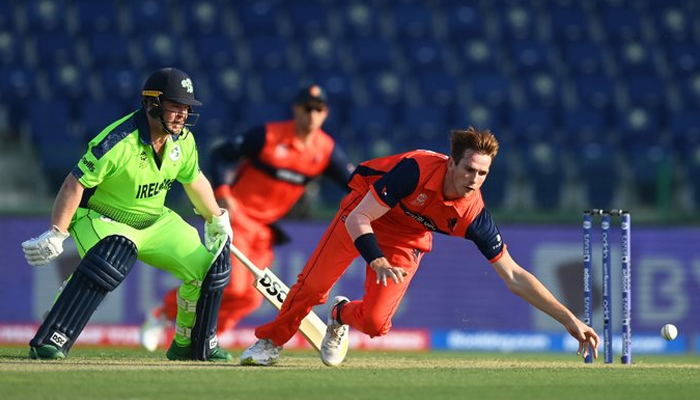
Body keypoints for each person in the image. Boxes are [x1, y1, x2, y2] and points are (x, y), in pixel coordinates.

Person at [239, 127, 600, 366]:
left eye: (483, 174)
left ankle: (339, 315)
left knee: (378, 324)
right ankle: (271, 343)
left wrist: (570, 320)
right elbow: (358, 220)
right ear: (451, 162)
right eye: (468, 169)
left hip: (406, 236)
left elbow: (515, 277)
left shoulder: (474, 215)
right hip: (366, 211)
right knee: (313, 286)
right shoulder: (416, 169)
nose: (473, 180)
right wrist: (376, 258)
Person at [21, 67, 234, 362]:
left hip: (155, 221)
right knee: (115, 255)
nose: (182, 115)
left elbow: (194, 179)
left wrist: (216, 217)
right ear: (152, 104)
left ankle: (189, 343)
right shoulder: (118, 141)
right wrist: (57, 232)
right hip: (101, 218)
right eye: (174, 107)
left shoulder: (183, 141)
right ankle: (53, 335)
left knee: (209, 268)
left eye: (185, 108)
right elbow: (75, 182)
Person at [140, 84, 354, 351]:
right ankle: (163, 313)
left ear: (325, 114)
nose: (312, 114)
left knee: (250, 299)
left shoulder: (326, 150)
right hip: (238, 218)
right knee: (233, 286)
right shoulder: (268, 135)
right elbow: (220, 154)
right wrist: (223, 192)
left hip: (264, 230)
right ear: (296, 109)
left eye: (318, 109)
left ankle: (205, 336)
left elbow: (352, 183)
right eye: (307, 108)